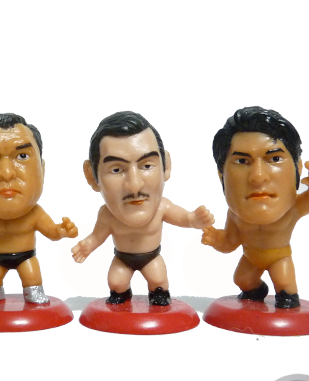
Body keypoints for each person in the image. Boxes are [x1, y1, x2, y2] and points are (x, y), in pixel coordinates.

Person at [71, 111, 214, 305]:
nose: (135, 185)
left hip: (151, 257)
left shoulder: (162, 207)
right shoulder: (107, 215)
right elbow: (97, 236)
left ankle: (159, 295)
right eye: (116, 170)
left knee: (158, 279)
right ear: (92, 176)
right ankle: (121, 296)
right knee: (116, 281)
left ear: (166, 166)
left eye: (146, 166)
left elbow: (183, 218)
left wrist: (194, 219)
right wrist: (87, 245)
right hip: (122, 258)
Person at [202, 106, 309, 308]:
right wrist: (217, 240)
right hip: (250, 257)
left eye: (275, 159)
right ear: (222, 175)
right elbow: (230, 242)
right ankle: (255, 295)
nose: (258, 177)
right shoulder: (235, 215)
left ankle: (287, 302)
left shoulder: (292, 209)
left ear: (297, 168)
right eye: (242, 161)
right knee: (242, 280)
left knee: (285, 285)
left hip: (279, 257)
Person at [0, 113, 78, 304]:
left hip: (26, 257)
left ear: (42, 169)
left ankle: (34, 293)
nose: (6, 173)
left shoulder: (35, 213)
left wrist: (61, 230)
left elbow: (51, 231)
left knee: (32, 276)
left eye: (22, 156)